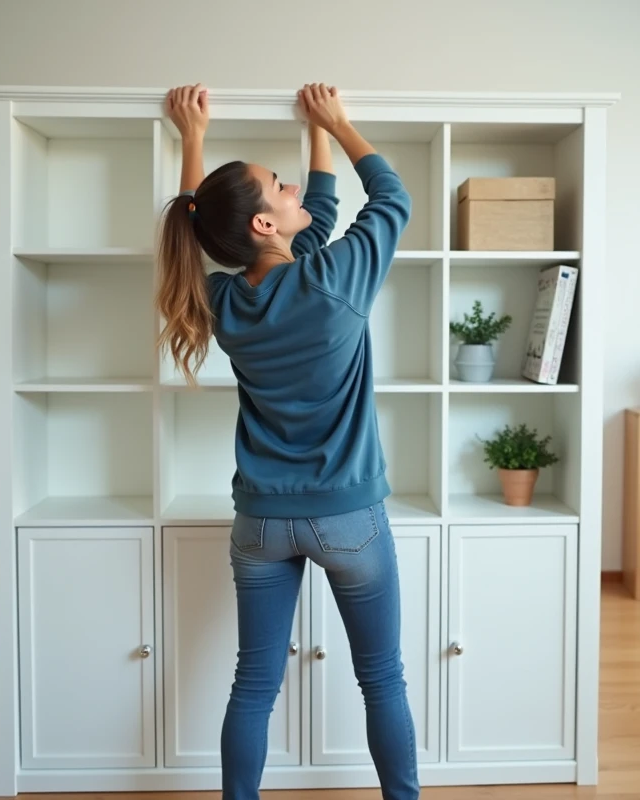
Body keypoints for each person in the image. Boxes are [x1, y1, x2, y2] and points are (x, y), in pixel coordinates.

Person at [156, 82, 419, 800]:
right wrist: (340, 121)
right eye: (279, 187)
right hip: (349, 519)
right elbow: (393, 200)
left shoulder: (221, 302)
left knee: (253, 684)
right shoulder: (335, 283)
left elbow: (204, 226)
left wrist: (195, 142)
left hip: (262, 522)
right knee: (382, 678)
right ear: (267, 227)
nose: (293, 186)